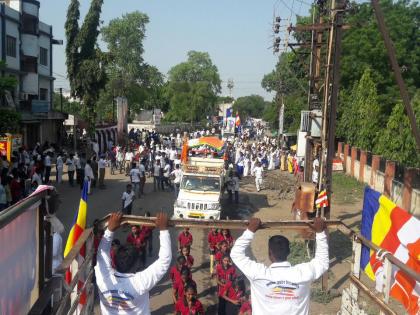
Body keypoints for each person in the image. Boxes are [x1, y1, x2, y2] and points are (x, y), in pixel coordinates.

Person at [230, 217, 329, 315]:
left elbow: (236, 254)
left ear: (269, 253)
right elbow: (322, 262)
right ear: (289, 252)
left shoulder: (259, 274)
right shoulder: (303, 273)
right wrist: (320, 233)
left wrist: (250, 231)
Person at [95, 212, 171, 315]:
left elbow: (101, 253)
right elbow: (164, 261)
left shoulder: (103, 278)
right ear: (137, 264)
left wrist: (109, 230)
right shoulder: (139, 282)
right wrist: (164, 230)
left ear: (114, 261)